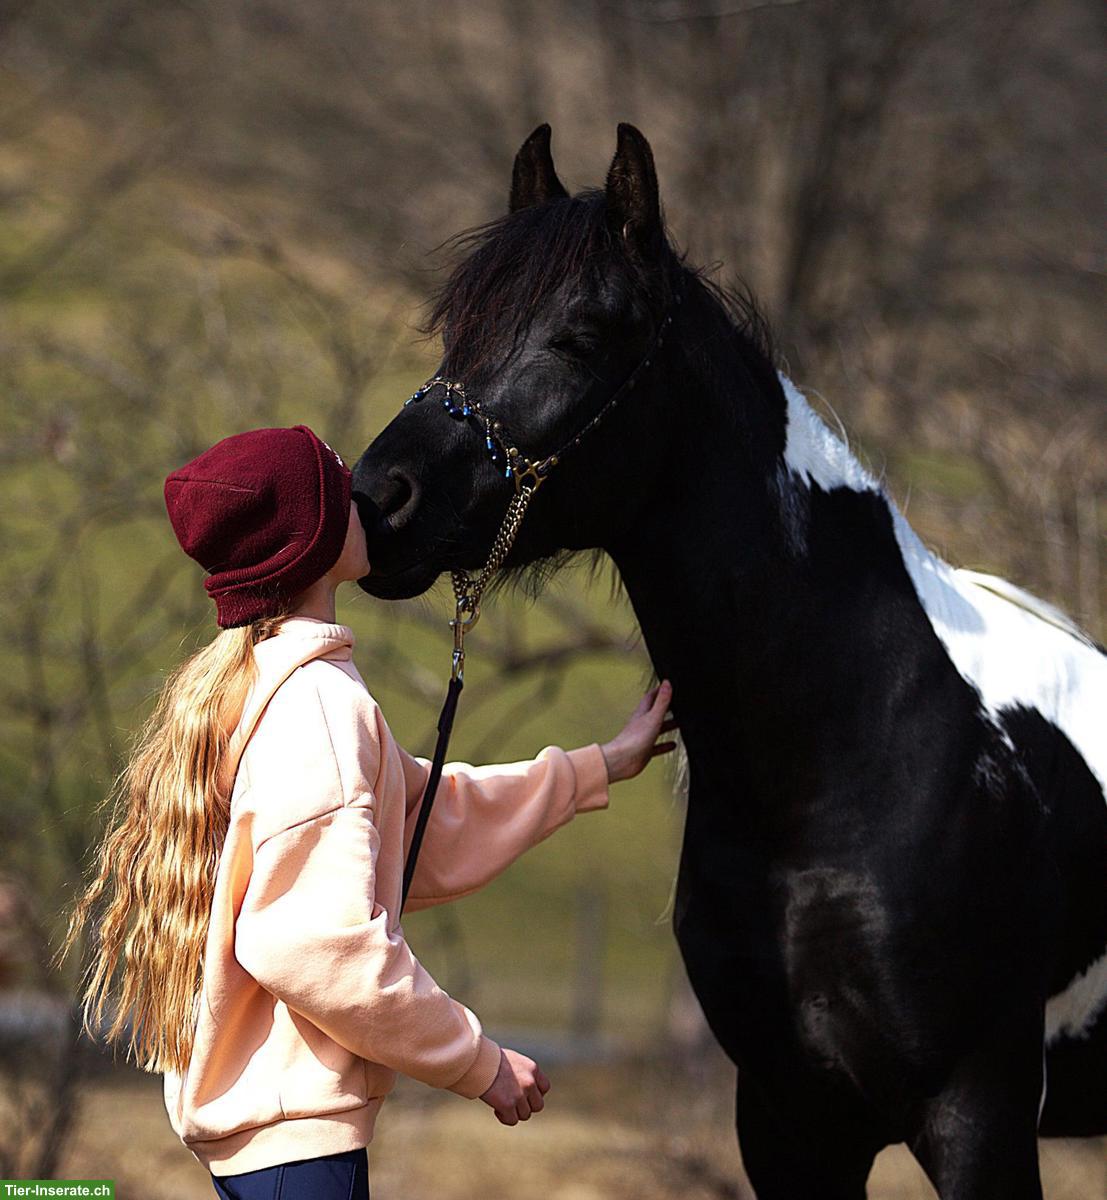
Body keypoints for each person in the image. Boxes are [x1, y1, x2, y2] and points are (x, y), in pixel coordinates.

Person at [56, 425, 677, 1200]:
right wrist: (477, 1062)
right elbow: (309, 941)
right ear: (309, 540)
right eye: (340, 491)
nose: (365, 501)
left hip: (281, 1148)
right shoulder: (319, 711)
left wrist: (598, 766)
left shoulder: (281, 690)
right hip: (297, 1159)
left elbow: (421, 824)